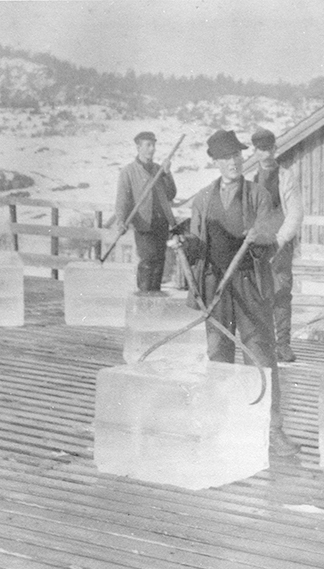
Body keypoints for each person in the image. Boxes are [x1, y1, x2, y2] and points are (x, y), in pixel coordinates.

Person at [171, 129, 300, 457]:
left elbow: (271, 234)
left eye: (237, 156)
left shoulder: (258, 195)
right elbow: (199, 246)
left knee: (260, 353)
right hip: (215, 285)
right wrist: (184, 245)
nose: (233, 162)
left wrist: (258, 237)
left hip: (248, 282)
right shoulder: (202, 198)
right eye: (225, 157)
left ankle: (273, 430)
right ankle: (221, 424)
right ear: (214, 161)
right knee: (219, 356)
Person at [250, 127, 304, 363]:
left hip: (280, 243)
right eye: (261, 150)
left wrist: (281, 240)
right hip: (257, 245)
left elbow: (295, 212)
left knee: (281, 293)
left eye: (269, 148)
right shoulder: (249, 179)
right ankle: (262, 343)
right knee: (258, 293)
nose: (266, 154)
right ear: (256, 152)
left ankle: (282, 345)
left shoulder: (286, 177)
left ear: (275, 149)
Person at [115, 131, 177, 293]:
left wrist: (167, 173)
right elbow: (123, 200)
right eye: (148, 145)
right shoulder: (128, 171)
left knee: (159, 262)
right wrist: (121, 221)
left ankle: (154, 300)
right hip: (143, 224)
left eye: (153, 145)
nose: (152, 149)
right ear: (138, 147)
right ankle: (143, 297)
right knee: (148, 260)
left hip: (161, 222)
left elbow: (171, 194)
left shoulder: (159, 169)